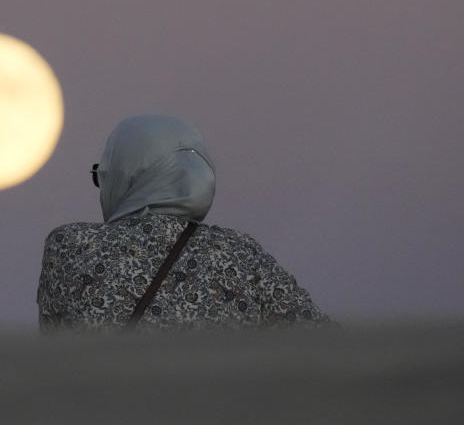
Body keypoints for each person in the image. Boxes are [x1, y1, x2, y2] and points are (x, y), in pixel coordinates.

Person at [37, 115, 330, 331]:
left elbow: (55, 361)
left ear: (124, 176)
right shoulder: (240, 253)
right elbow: (323, 342)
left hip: (113, 411)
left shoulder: (70, 246)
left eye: (101, 177)